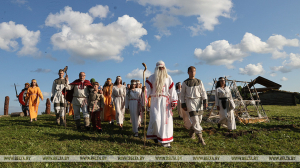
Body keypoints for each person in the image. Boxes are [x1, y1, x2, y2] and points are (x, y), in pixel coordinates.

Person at [145, 61, 177, 148]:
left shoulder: (168, 78)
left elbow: (172, 90)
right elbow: (147, 89)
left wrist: (174, 101)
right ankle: (155, 135)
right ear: (156, 68)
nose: (161, 69)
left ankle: (166, 142)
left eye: (162, 67)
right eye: (159, 68)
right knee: (156, 119)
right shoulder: (151, 78)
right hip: (155, 101)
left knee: (165, 122)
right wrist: (145, 96)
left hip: (165, 102)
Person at [181, 66, 207, 145]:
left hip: (199, 102)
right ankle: (200, 138)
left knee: (199, 120)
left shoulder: (199, 81)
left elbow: (203, 91)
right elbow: (182, 95)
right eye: (191, 71)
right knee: (195, 119)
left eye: (194, 71)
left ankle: (191, 132)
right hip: (190, 102)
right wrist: (183, 103)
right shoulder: (185, 82)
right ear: (188, 72)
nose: (193, 73)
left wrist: (205, 100)